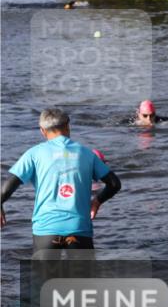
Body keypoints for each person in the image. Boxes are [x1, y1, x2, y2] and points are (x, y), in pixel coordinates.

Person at [0, 108, 122, 252]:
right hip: (79, 228)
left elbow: (7, 187)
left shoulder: (34, 154)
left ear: (42, 131)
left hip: (46, 230)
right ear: (67, 125)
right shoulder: (86, 153)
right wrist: (97, 201)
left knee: (45, 275)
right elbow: (114, 184)